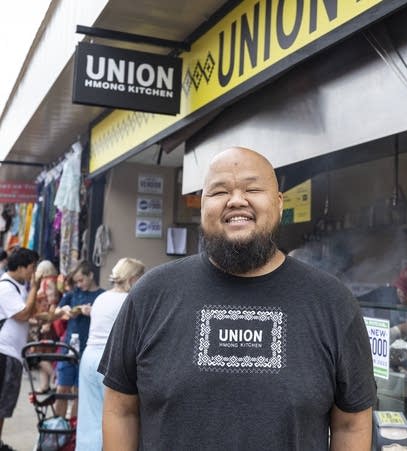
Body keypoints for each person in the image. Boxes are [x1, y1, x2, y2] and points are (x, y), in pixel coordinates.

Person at [100, 147, 376, 451]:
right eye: (219, 191)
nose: (236, 200)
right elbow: (120, 409)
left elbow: (351, 424)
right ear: (202, 205)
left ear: (279, 202)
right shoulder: (151, 293)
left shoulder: (333, 303)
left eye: (252, 188)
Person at [76, 258, 145, 451]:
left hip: (89, 357)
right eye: (141, 277)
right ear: (132, 278)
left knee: (89, 415)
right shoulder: (128, 301)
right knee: (115, 416)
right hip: (110, 360)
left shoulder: (102, 298)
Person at [52, 260, 104, 419]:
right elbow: (55, 311)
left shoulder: (102, 295)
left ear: (91, 275)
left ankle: (73, 430)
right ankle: (58, 427)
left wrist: (93, 312)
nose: (79, 284)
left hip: (89, 350)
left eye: (81, 280)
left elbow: (107, 318)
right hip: (69, 348)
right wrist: (63, 311)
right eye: (77, 281)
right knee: (62, 389)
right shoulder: (72, 294)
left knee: (80, 392)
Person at [0, 247, 39, 451]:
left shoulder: (17, 285)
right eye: (32, 267)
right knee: (2, 402)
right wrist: (35, 288)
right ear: (22, 267)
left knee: (4, 404)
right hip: (4, 352)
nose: (33, 272)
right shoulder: (7, 287)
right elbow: (23, 315)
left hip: (11, 353)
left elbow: (28, 316)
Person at [30, 260, 61, 393]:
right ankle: (44, 385)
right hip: (42, 321)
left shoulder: (48, 282)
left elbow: (52, 303)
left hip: (45, 322)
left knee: (39, 354)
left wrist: (48, 322)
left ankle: (54, 375)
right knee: (43, 353)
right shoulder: (49, 281)